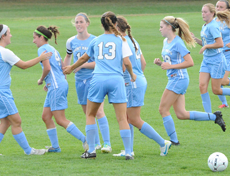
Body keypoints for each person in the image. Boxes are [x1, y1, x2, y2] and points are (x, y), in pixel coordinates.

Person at [64, 11, 136, 160]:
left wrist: (71, 67)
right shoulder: (121, 40)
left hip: (98, 79)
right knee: (122, 118)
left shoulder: (96, 40)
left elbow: (84, 57)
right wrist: (132, 74)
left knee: (90, 114)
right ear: (115, 24)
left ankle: (91, 150)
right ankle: (128, 152)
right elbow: (127, 62)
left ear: (101, 25)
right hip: (116, 80)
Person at [154, 15, 226, 146]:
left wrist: (170, 66)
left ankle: (174, 142)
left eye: (161, 27)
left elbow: (190, 62)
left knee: (163, 109)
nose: (160, 29)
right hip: (175, 78)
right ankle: (215, 117)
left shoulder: (177, 42)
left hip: (178, 79)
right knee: (181, 114)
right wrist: (161, 63)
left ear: (169, 27)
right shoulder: (166, 42)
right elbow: (172, 62)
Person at [0, 24, 52, 156]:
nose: (11, 35)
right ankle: (29, 151)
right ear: (3, 36)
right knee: (16, 121)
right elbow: (24, 65)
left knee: (5, 121)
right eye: (9, 33)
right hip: (0, 92)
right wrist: (40, 58)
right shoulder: (4, 52)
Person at [113, 16, 171, 157]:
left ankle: (163, 143)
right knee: (127, 117)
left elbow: (123, 66)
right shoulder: (133, 40)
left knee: (134, 119)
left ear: (116, 27)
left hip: (132, 83)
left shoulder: (122, 42)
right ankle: (129, 150)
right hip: (138, 81)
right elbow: (143, 63)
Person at [33, 25, 88, 153]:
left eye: (35, 38)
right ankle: (55, 147)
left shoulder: (42, 49)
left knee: (60, 119)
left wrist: (41, 80)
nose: (34, 40)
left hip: (56, 86)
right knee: (46, 116)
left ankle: (86, 140)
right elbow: (62, 67)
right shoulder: (52, 49)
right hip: (57, 84)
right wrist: (49, 83)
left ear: (41, 37)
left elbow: (47, 68)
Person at [63, 13, 111, 153]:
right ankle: (96, 143)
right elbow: (68, 56)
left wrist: (81, 66)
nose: (78, 25)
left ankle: (107, 144)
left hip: (94, 79)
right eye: (76, 22)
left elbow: (100, 63)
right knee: (88, 114)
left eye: (81, 22)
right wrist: (66, 72)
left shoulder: (95, 40)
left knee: (99, 111)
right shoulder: (71, 41)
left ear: (87, 23)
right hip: (79, 81)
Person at [192, 3, 230, 113]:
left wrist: (206, 46)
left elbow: (219, 43)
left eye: (205, 12)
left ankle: (223, 104)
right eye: (202, 12)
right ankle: (208, 115)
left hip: (217, 60)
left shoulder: (213, 26)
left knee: (216, 90)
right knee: (202, 86)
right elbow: (205, 43)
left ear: (212, 13)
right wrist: (195, 39)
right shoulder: (205, 26)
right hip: (206, 60)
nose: (203, 14)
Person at [215, 0, 230, 108]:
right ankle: (224, 103)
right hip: (218, 55)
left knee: (223, 80)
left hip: (228, 54)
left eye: (221, 7)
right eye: (217, 6)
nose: (218, 8)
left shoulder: (228, 20)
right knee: (218, 81)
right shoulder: (213, 22)